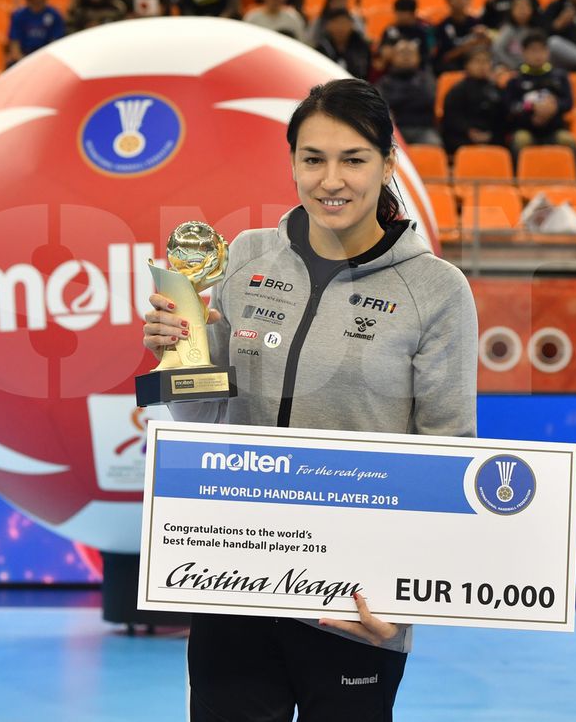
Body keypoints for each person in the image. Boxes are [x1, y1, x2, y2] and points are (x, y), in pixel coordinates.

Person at [141, 77, 477, 722]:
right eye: (313, 159)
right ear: (291, 161)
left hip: (353, 602)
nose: (332, 180)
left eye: (353, 159)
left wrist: (405, 598)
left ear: (387, 164)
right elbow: (203, 410)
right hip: (234, 579)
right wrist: (180, 352)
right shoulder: (244, 257)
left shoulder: (436, 290)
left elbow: (447, 453)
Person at [504, 31, 576, 152]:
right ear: (524, 52)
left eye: (542, 50)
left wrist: (554, 106)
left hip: (554, 128)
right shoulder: (515, 80)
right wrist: (532, 109)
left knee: (568, 140)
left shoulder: (560, 77)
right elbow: (510, 107)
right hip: (525, 128)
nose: (538, 55)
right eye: (533, 50)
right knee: (521, 140)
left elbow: (568, 103)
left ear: (548, 52)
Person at [441, 46, 506, 153]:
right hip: (463, 136)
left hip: (491, 136)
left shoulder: (496, 89)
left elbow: (503, 116)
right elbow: (451, 117)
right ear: (467, 65)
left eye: (486, 62)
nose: (482, 66)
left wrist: (491, 134)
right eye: (477, 62)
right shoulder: (458, 90)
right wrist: (468, 131)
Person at [375, 40, 440, 146]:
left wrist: (396, 99)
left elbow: (427, 99)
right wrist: (412, 93)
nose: (406, 57)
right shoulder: (384, 81)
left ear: (418, 58)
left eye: (410, 53)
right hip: (394, 129)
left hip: (423, 129)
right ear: (393, 58)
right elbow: (381, 105)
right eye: (402, 53)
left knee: (433, 145)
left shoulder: (427, 78)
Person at [8, 0, 66, 64]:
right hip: (23, 60)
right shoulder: (18, 16)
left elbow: (56, 44)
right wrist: (24, 62)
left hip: (47, 60)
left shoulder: (54, 15)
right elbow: (14, 46)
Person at [433, 0, 490, 75]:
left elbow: (487, 46)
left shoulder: (476, 22)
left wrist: (486, 37)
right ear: (448, 0)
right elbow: (445, 57)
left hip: (475, 61)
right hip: (453, 65)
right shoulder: (442, 26)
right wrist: (469, 45)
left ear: (468, 0)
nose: (459, 0)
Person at [315, 8, 372, 80]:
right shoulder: (321, 48)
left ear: (351, 25)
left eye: (344, 22)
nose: (340, 27)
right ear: (328, 26)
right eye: (336, 22)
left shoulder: (361, 47)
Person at [378, 0, 433, 66]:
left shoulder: (423, 30)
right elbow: (385, 52)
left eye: (402, 13)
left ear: (412, 14)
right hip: (394, 69)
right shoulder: (390, 30)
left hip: (419, 68)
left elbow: (428, 53)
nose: (399, 17)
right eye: (397, 13)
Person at [493, 0, 542, 70]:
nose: (522, 10)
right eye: (519, 7)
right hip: (512, 67)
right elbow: (497, 49)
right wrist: (514, 66)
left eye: (526, 6)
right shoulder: (508, 29)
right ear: (512, 10)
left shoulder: (536, 30)